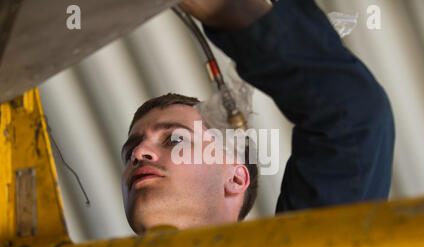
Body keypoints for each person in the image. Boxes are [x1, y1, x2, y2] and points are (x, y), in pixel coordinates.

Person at [121, 0, 395, 234]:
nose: (138, 153)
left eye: (174, 139)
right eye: (129, 151)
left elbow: (351, 117)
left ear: (235, 180)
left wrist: (230, 10)